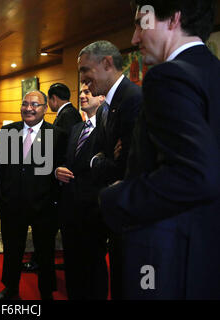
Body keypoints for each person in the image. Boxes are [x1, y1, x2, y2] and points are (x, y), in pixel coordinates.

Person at [100, 0, 220, 299]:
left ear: (174, 19)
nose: (134, 38)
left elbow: (195, 174)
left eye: (142, 23)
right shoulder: (212, 72)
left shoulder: (168, 77)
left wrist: (116, 195)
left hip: (168, 261)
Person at [77, 40, 142, 299]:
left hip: (129, 213)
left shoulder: (132, 99)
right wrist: (101, 158)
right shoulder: (109, 105)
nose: (82, 79)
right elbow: (103, 150)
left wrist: (98, 161)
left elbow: (125, 164)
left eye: (85, 70)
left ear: (107, 63)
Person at [0, 90, 67, 300]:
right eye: (25, 103)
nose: (29, 108)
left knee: (45, 252)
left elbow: (60, 168)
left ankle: (46, 291)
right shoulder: (8, 132)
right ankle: (11, 288)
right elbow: (1, 168)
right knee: (12, 250)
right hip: (12, 204)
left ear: (45, 108)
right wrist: (1, 196)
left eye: (35, 104)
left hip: (44, 206)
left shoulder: (57, 135)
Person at [22, 82, 83, 273]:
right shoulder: (69, 114)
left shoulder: (67, 116)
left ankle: (42, 263)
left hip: (60, 181)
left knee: (49, 231)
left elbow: (62, 152)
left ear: (51, 101)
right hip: (55, 179)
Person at [55, 83, 107, 299]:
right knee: (73, 260)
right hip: (70, 206)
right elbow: (68, 161)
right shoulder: (77, 128)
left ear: (103, 97)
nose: (83, 96)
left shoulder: (109, 128)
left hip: (94, 208)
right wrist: (57, 170)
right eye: (82, 92)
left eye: (88, 92)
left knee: (93, 262)